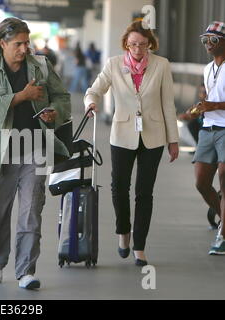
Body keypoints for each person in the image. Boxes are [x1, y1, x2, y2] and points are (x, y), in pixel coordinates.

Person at [0, 17, 71, 289]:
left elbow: (62, 97)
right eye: (18, 44)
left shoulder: (41, 65)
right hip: (0, 153)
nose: (24, 49)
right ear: (3, 43)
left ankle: (26, 270)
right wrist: (21, 97)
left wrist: (55, 113)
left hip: (36, 150)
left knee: (31, 213)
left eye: (27, 43)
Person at [85, 20, 179, 266]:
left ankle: (140, 246)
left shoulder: (161, 65)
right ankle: (123, 232)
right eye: (133, 44)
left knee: (144, 192)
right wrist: (91, 103)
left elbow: (168, 104)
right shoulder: (113, 64)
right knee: (119, 187)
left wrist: (173, 140)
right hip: (122, 133)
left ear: (150, 44)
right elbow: (95, 90)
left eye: (143, 45)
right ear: (126, 43)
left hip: (154, 135)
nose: (138, 49)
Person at [185, 21, 225, 255]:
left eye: (214, 40)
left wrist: (214, 105)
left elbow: (215, 102)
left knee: (223, 177)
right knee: (201, 182)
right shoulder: (208, 68)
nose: (208, 44)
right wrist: (202, 107)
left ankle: (222, 236)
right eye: (205, 40)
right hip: (208, 129)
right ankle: (222, 219)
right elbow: (211, 98)